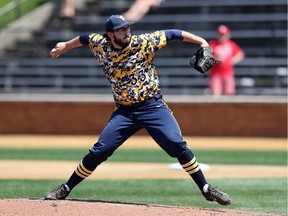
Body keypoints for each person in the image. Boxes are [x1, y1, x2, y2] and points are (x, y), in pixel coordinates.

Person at [44, 15, 231, 206]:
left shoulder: (143, 42)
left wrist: (202, 42)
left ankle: (206, 189)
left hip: (153, 107)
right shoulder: (99, 43)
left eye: (127, 28)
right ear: (110, 34)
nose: (127, 31)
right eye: (121, 29)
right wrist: (66, 45)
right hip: (124, 112)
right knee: (99, 151)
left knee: (176, 144)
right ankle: (66, 188)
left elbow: (174, 33)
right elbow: (84, 38)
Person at [208, 25, 245, 96]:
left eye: (223, 34)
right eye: (220, 34)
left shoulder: (231, 44)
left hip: (228, 74)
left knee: (229, 95)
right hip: (216, 74)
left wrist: (232, 61)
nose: (222, 36)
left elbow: (240, 54)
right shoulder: (212, 44)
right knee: (215, 95)